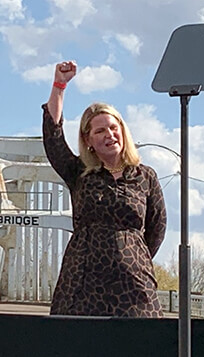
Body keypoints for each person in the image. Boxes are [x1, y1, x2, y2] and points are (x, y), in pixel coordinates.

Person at [42, 61, 167, 317]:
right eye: (100, 131)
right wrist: (59, 86)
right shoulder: (79, 173)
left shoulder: (146, 176)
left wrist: (132, 253)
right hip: (82, 282)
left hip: (134, 286)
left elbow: (157, 229)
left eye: (113, 127)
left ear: (123, 131)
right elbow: (53, 136)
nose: (109, 134)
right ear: (88, 141)